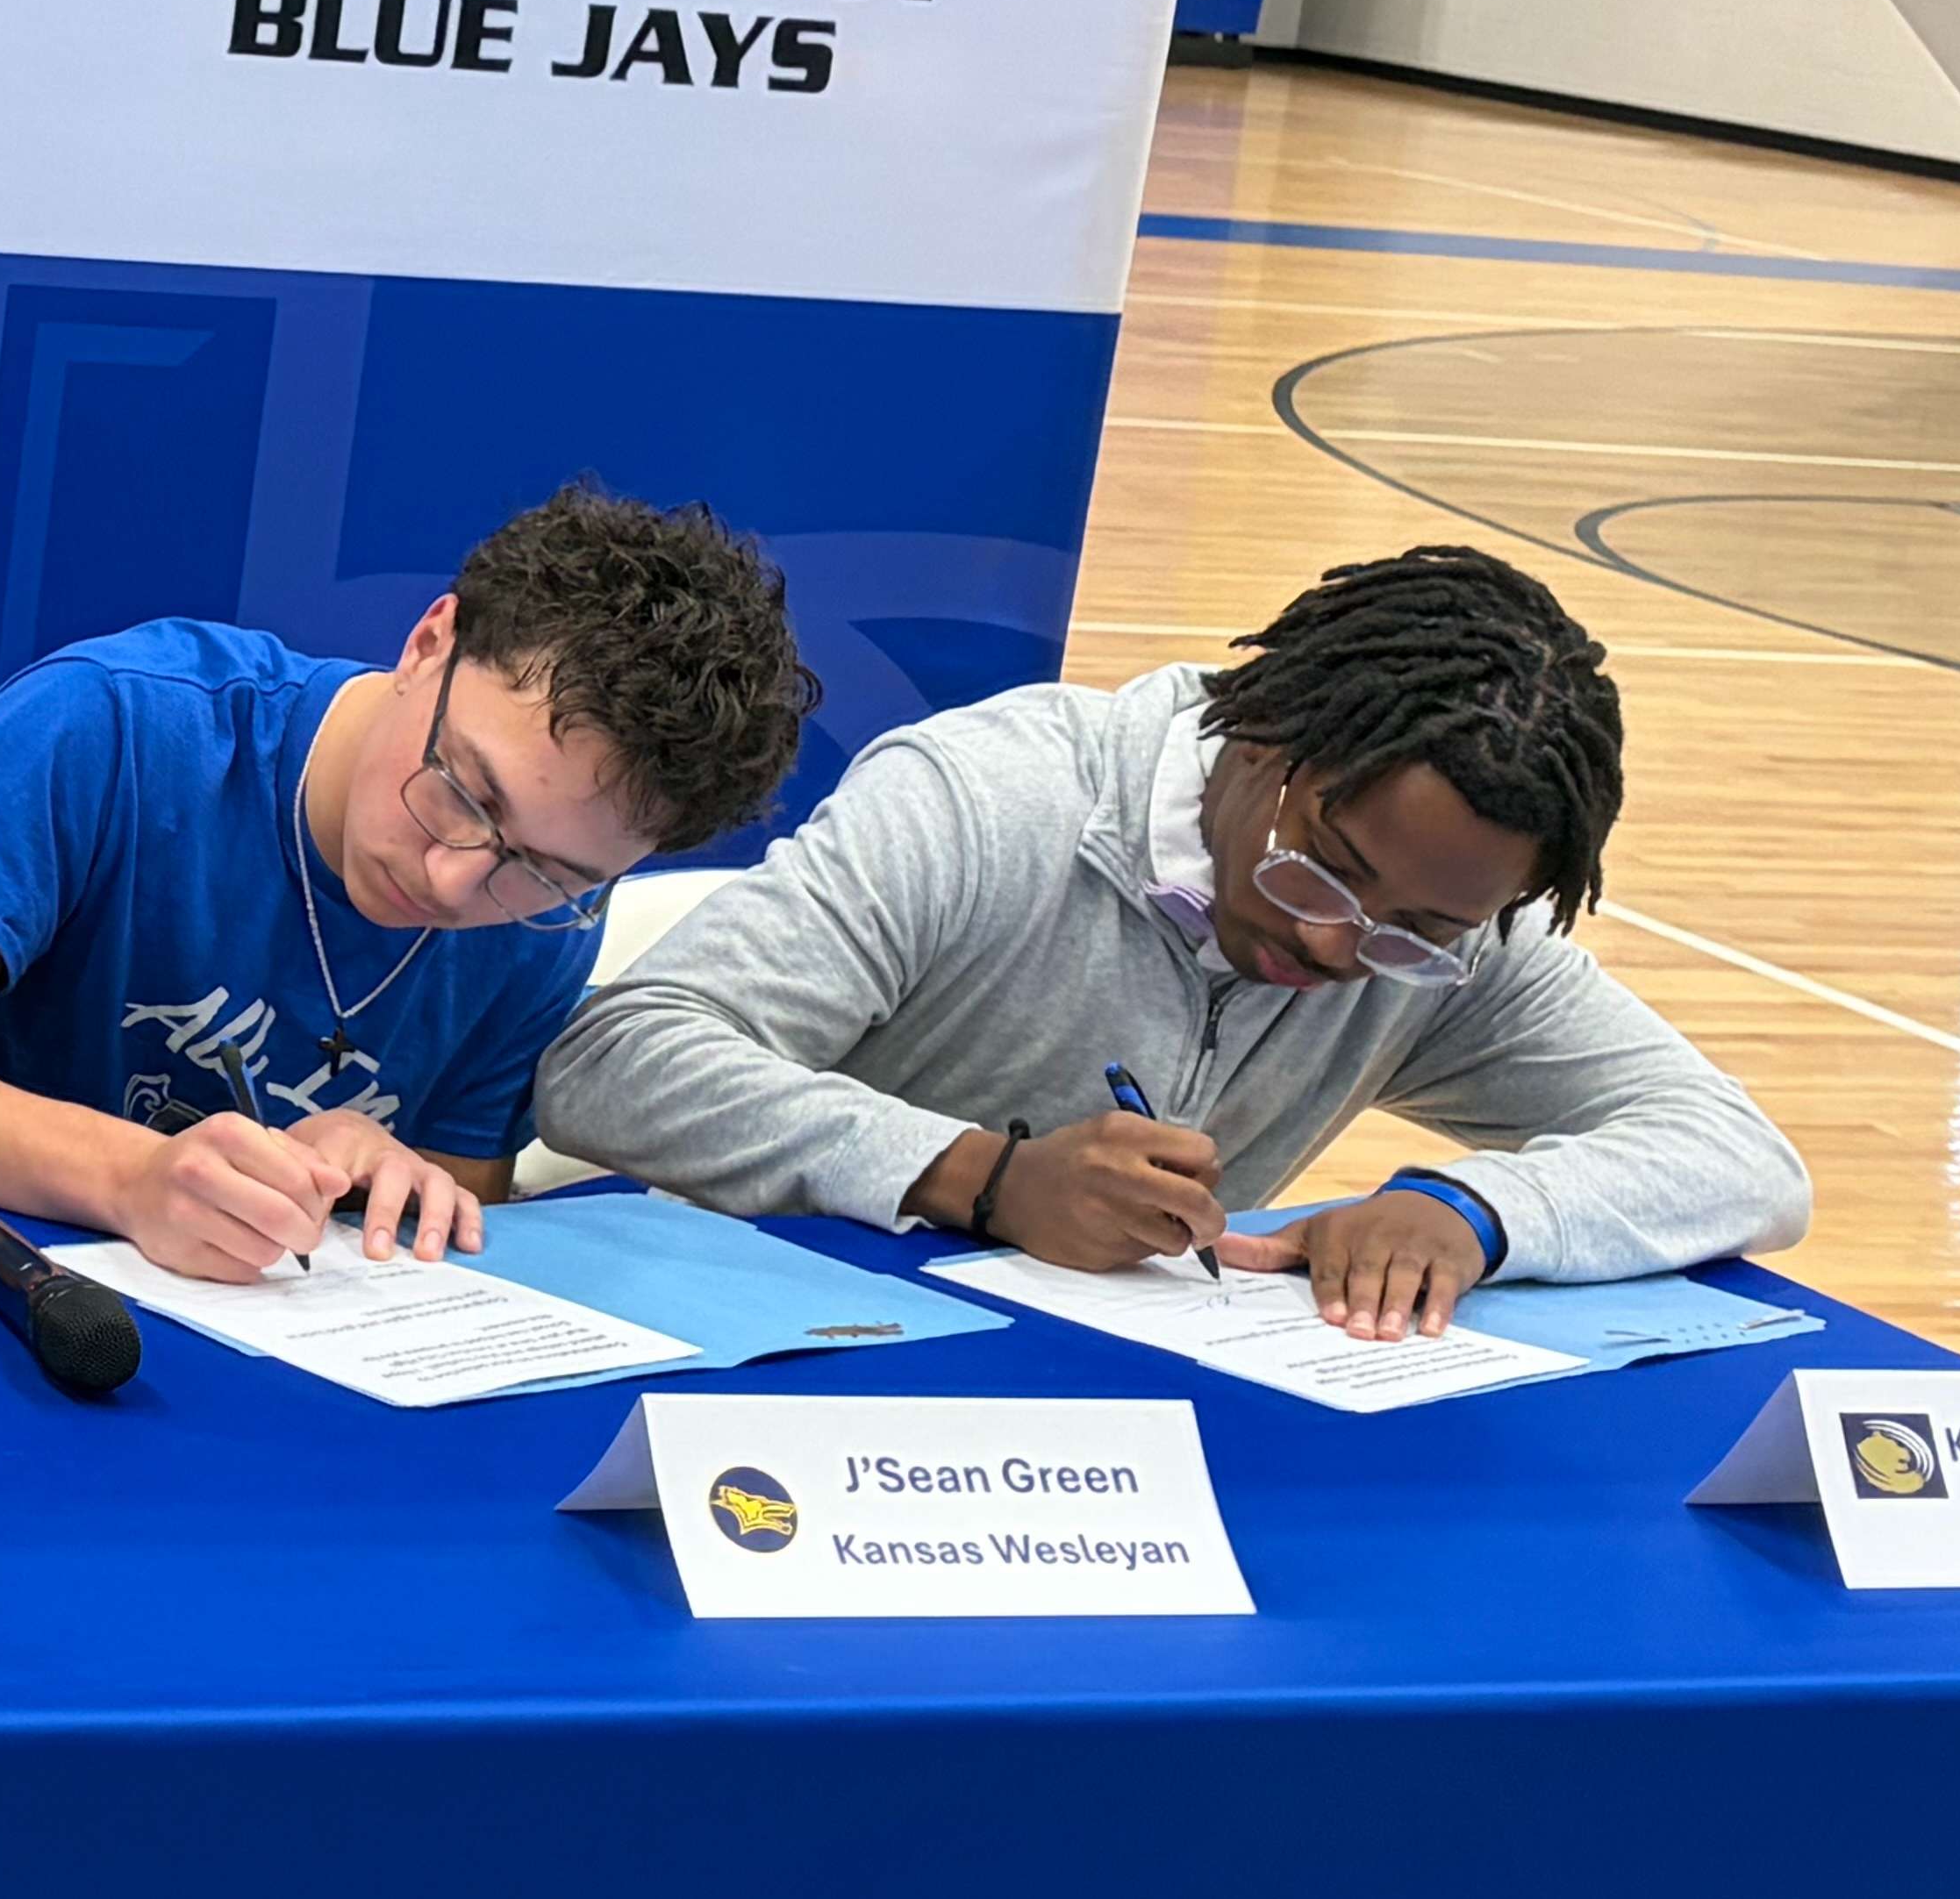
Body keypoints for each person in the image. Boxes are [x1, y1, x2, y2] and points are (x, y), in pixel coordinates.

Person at [538, 543, 1807, 1333]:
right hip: (775, 1381)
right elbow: (618, 1064)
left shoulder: (1445, 939)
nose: (1338, 952)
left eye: (1415, 935)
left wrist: (1470, 1207)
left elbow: (1740, 1159)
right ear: (1258, 741)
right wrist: (980, 1176)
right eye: (1327, 874)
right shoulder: (988, 802)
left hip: (1097, 1439)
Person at [0, 489, 819, 1281]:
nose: (456, 873)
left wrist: (374, 1186)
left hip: (195, 1360)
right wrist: (133, 1177)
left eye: (543, 871)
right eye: (459, 789)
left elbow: (450, 1211)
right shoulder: (122, 724)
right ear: (431, 641)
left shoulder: (548, 919)